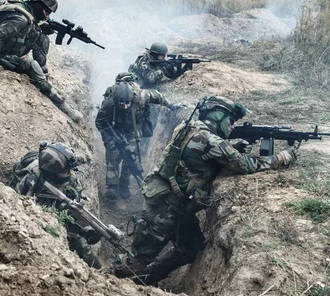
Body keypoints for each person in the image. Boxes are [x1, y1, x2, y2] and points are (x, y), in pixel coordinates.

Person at [113, 95, 298, 284]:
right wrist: (283, 157)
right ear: (218, 117)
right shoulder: (210, 140)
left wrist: (232, 146)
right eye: (230, 122)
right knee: (133, 262)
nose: (232, 127)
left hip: (173, 203)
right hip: (165, 209)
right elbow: (246, 164)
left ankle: (144, 281)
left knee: (191, 248)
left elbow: (203, 154)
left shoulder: (189, 126)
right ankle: (104, 283)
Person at [0, 0, 82, 123]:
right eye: (46, 12)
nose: (47, 16)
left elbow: (35, 28)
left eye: (49, 13)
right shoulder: (21, 19)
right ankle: (61, 104)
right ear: (38, 5)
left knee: (41, 36)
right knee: (32, 65)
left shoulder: (26, 9)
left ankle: (43, 74)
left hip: (5, 45)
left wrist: (42, 27)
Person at [95, 74, 186, 201]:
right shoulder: (109, 103)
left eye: (127, 104)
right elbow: (99, 122)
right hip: (116, 128)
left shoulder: (142, 96)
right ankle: (112, 186)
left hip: (134, 128)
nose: (125, 107)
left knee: (130, 157)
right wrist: (108, 139)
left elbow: (159, 97)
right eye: (121, 105)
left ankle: (124, 185)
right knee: (112, 155)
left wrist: (173, 106)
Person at [12, 142, 101, 268]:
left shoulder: (71, 179)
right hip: (40, 221)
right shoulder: (32, 180)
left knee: (85, 251)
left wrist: (82, 229)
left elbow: (74, 203)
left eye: (69, 170)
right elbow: (21, 207)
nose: (69, 174)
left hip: (62, 214)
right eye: (64, 172)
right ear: (51, 172)